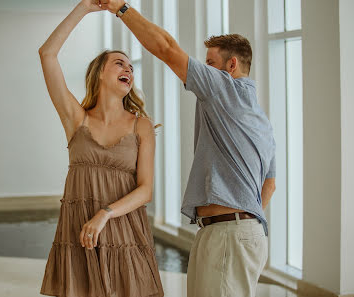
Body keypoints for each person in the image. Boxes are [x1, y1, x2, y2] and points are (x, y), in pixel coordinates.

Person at [100, 1, 277, 297]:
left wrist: (121, 8)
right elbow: (269, 187)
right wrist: (244, 227)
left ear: (231, 66)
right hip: (234, 231)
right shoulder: (261, 120)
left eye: (210, 64)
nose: (203, 70)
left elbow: (167, 49)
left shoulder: (225, 89)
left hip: (228, 233)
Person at [38, 1, 164, 296]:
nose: (128, 70)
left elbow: (145, 190)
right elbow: (47, 55)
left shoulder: (142, 126)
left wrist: (105, 213)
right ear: (99, 75)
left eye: (131, 67)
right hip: (80, 231)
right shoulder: (76, 119)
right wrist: (83, 7)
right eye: (119, 63)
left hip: (124, 231)